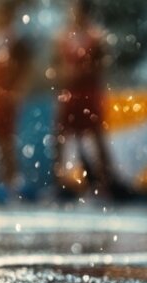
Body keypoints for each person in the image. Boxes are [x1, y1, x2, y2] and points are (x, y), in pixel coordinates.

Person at [51, 0, 119, 199]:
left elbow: (100, 66)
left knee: (96, 135)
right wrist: (63, 75)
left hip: (89, 92)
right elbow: (56, 66)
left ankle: (106, 182)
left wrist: (80, 72)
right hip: (70, 93)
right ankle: (58, 181)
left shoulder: (95, 37)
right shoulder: (63, 37)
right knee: (61, 135)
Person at [0, 2, 33, 196]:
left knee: (5, 139)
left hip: (6, 95)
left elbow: (24, 67)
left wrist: (17, 90)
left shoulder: (16, 39)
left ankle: (11, 181)